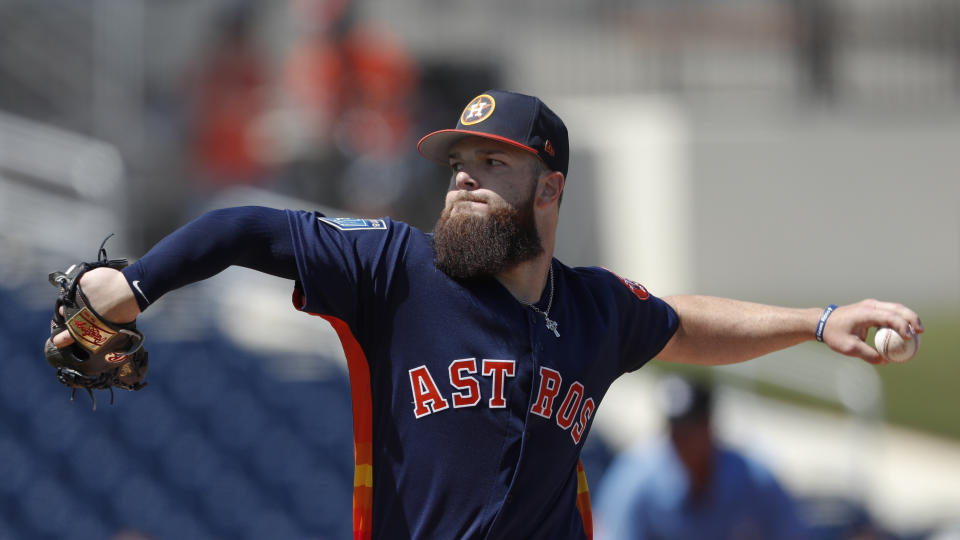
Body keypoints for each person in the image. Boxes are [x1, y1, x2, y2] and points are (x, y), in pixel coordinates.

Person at [50, 90, 923, 540]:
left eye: (492, 163)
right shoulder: (394, 269)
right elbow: (242, 227)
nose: (463, 176)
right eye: (458, 160)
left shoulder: (592, 309)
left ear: (551, 188)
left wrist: (817, 319)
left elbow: (682, 321)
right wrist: (136, 283)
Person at [594, 376, 810, 540]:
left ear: (708, 425)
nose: (680, 439)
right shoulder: (634, 477)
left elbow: (793, 532)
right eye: (675, 428)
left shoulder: (753, 478)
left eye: (690, 428)